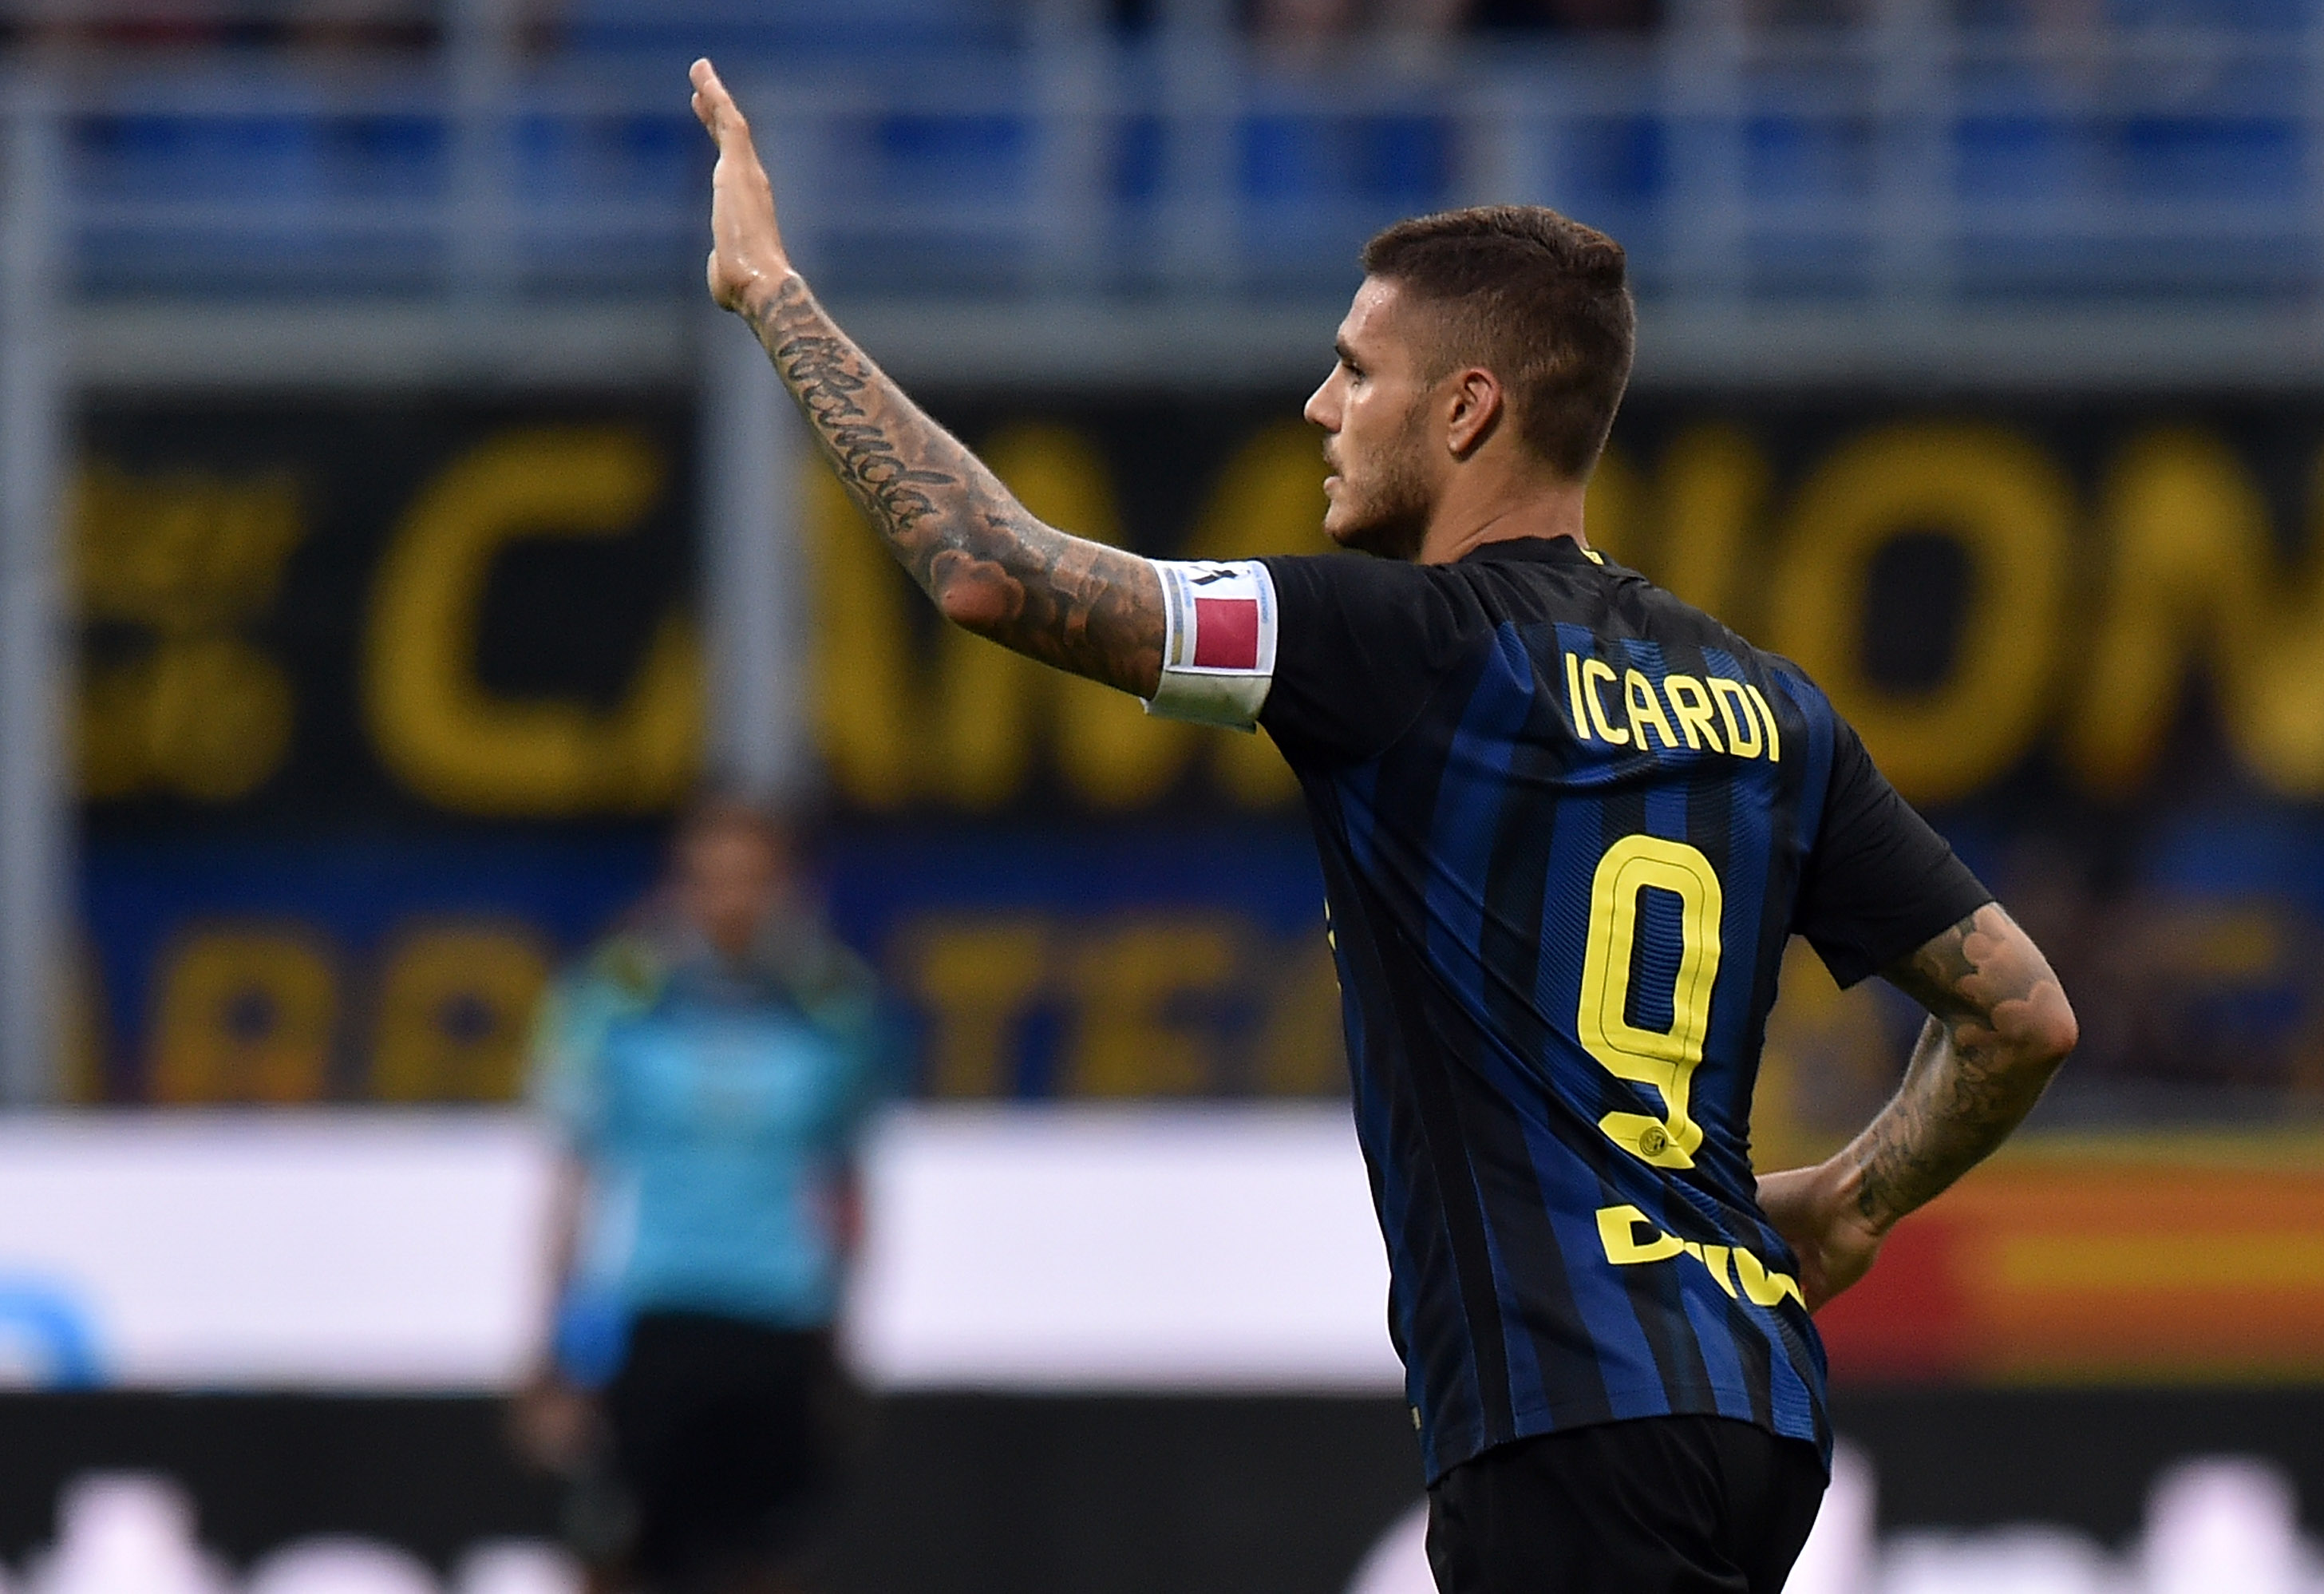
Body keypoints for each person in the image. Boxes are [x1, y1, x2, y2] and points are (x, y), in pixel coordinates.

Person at [684, 59, 2077, 1594]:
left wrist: (773, 293)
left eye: (1356, 370)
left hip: (1563, 1419)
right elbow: (2018, 1011)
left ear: (1468, 406)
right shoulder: (1769, 707)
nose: (1319, 405)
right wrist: (1855, 1198)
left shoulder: (1395, 648)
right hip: (1757, 1406)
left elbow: (993, 574)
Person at [515, 796, 881, 1594]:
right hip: (654, 1316)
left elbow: (848, 1184)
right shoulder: (613, 1002)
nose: (730, 902)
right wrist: (553, 1349)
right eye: (710, 880)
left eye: (751, 880)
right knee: (617, 1555)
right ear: (677, 886)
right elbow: (575, 1183)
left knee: (771, 1560)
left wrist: (846, 1336)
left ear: (788, 887)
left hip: (777, 1319)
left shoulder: (834, 1009)